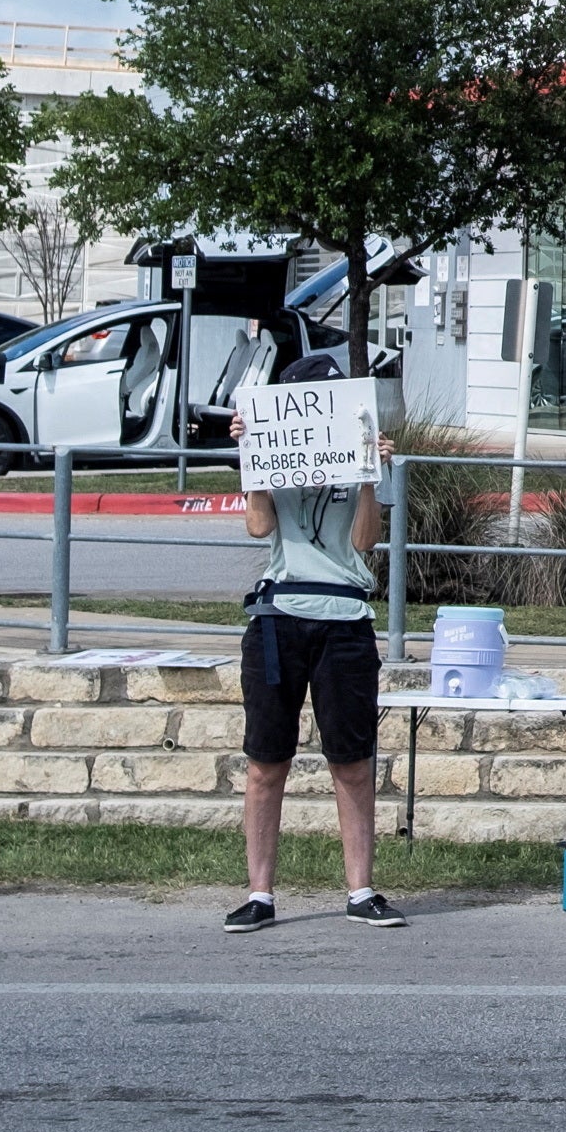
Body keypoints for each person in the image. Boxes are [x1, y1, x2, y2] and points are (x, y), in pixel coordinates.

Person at [229, 390, 401, 933]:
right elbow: (258, 526)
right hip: (278, 616)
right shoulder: (274, 456)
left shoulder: (364, 461)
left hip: (346, 619)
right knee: (265, 761)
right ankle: (259, 893)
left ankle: (361, 889)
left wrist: (371, 472)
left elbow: (366, 541)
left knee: (351, 760)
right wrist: (251, 455)